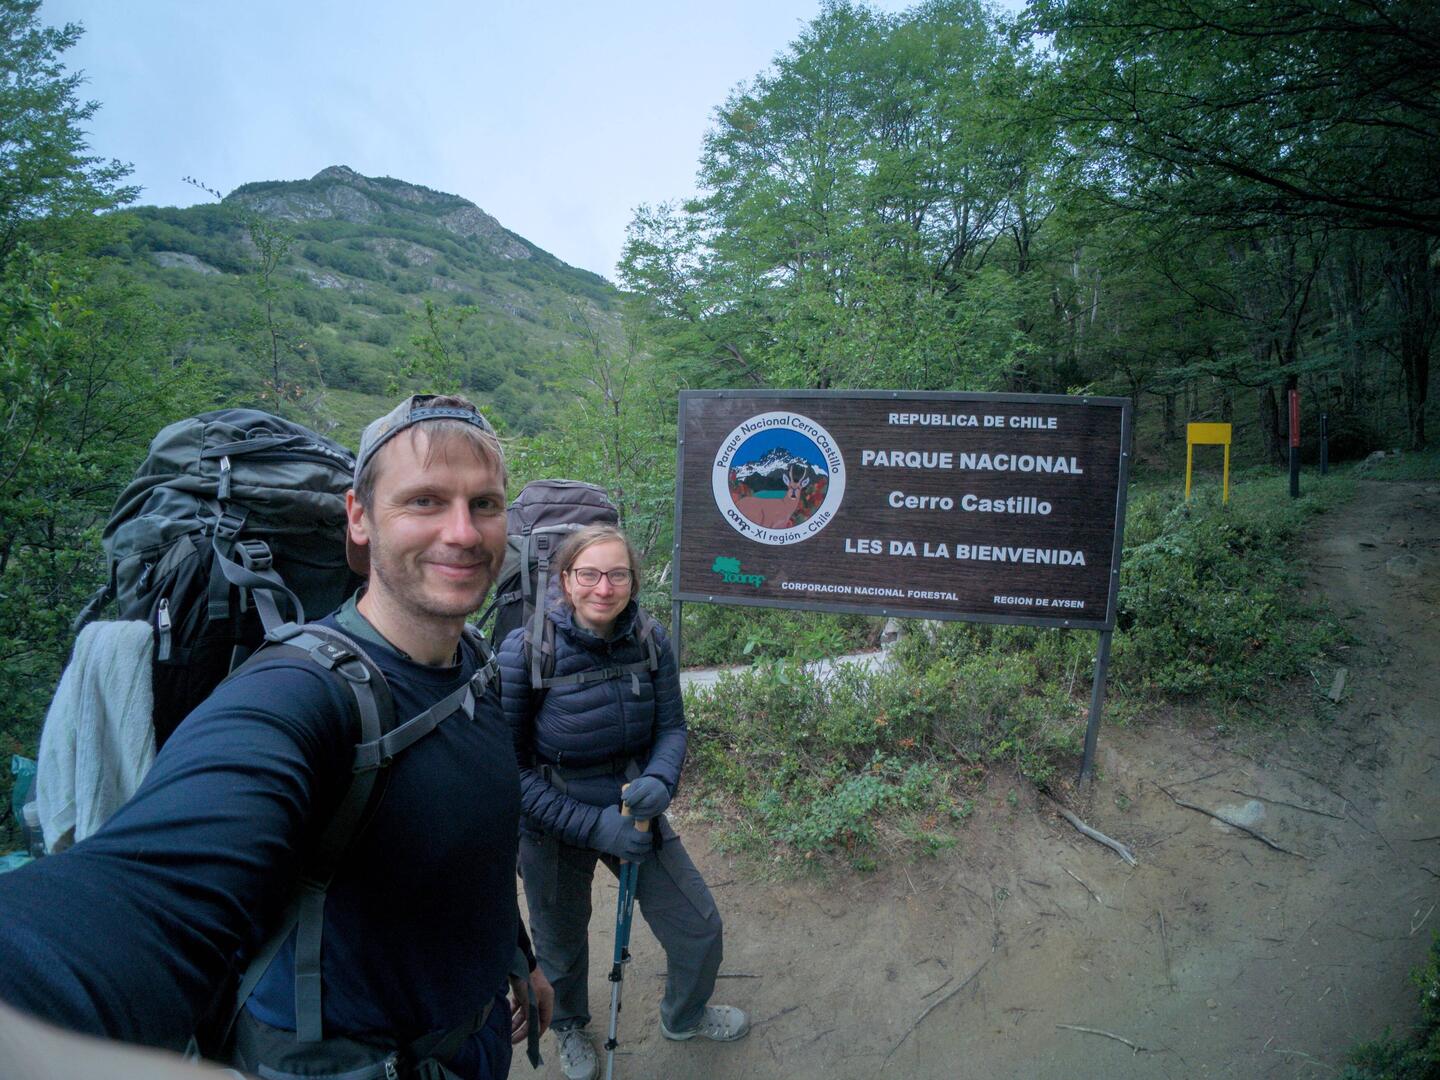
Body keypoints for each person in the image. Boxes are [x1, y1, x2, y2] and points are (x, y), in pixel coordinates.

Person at [0, 394, 553, 1079]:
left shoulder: (475, 665)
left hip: (474, 1042)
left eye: (485, 504)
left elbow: (473, 853)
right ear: (359, 517)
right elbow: (141, 897)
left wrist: (520, 959)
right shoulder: (296, 691)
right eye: (425, 501)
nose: (464, 532)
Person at [499, 524, 748, 1080]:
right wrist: (594, 826)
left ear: (633, 581)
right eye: (589, 574)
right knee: (560, 943)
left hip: (636, 811)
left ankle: (684, 1015)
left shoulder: (650, 639)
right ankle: (570, 1027)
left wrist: (661, 778)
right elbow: (509, 772)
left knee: (698, 927)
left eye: (617, 574)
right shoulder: (527, 651)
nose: (604, 588)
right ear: (566, 580)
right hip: (552, 822)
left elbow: (672, 727)